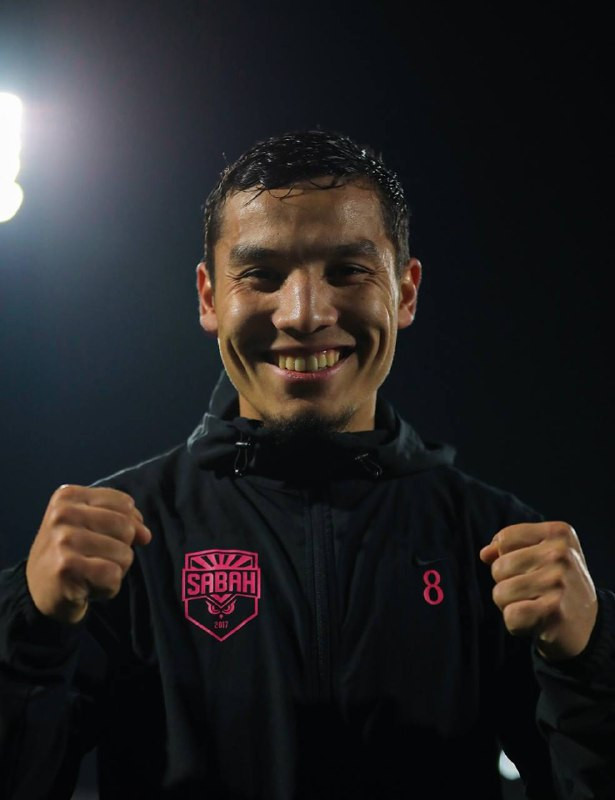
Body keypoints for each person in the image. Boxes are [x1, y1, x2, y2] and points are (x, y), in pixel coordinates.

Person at [0, 130, 613, 800]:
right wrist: (29, 632)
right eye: (262, 275)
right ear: (209, 298)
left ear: (405, 293)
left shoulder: (494, 545)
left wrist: (591, 662)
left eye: (348, 271)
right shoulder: (121, 542)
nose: (305, 314)